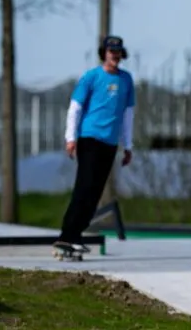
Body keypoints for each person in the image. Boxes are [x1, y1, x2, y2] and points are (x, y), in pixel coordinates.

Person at [56, 34, 136, 251]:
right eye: (111, 52)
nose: (115, 56)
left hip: (110, 143)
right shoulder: (91, 77)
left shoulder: (126, 80)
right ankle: (67, 234)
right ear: (104, 53)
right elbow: (75, 108)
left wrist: (128, 145)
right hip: (89, 138)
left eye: (118, 52)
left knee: (96, 191)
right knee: (84, 186)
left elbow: (127, 115)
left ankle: (76, 235)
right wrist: (70, 138)